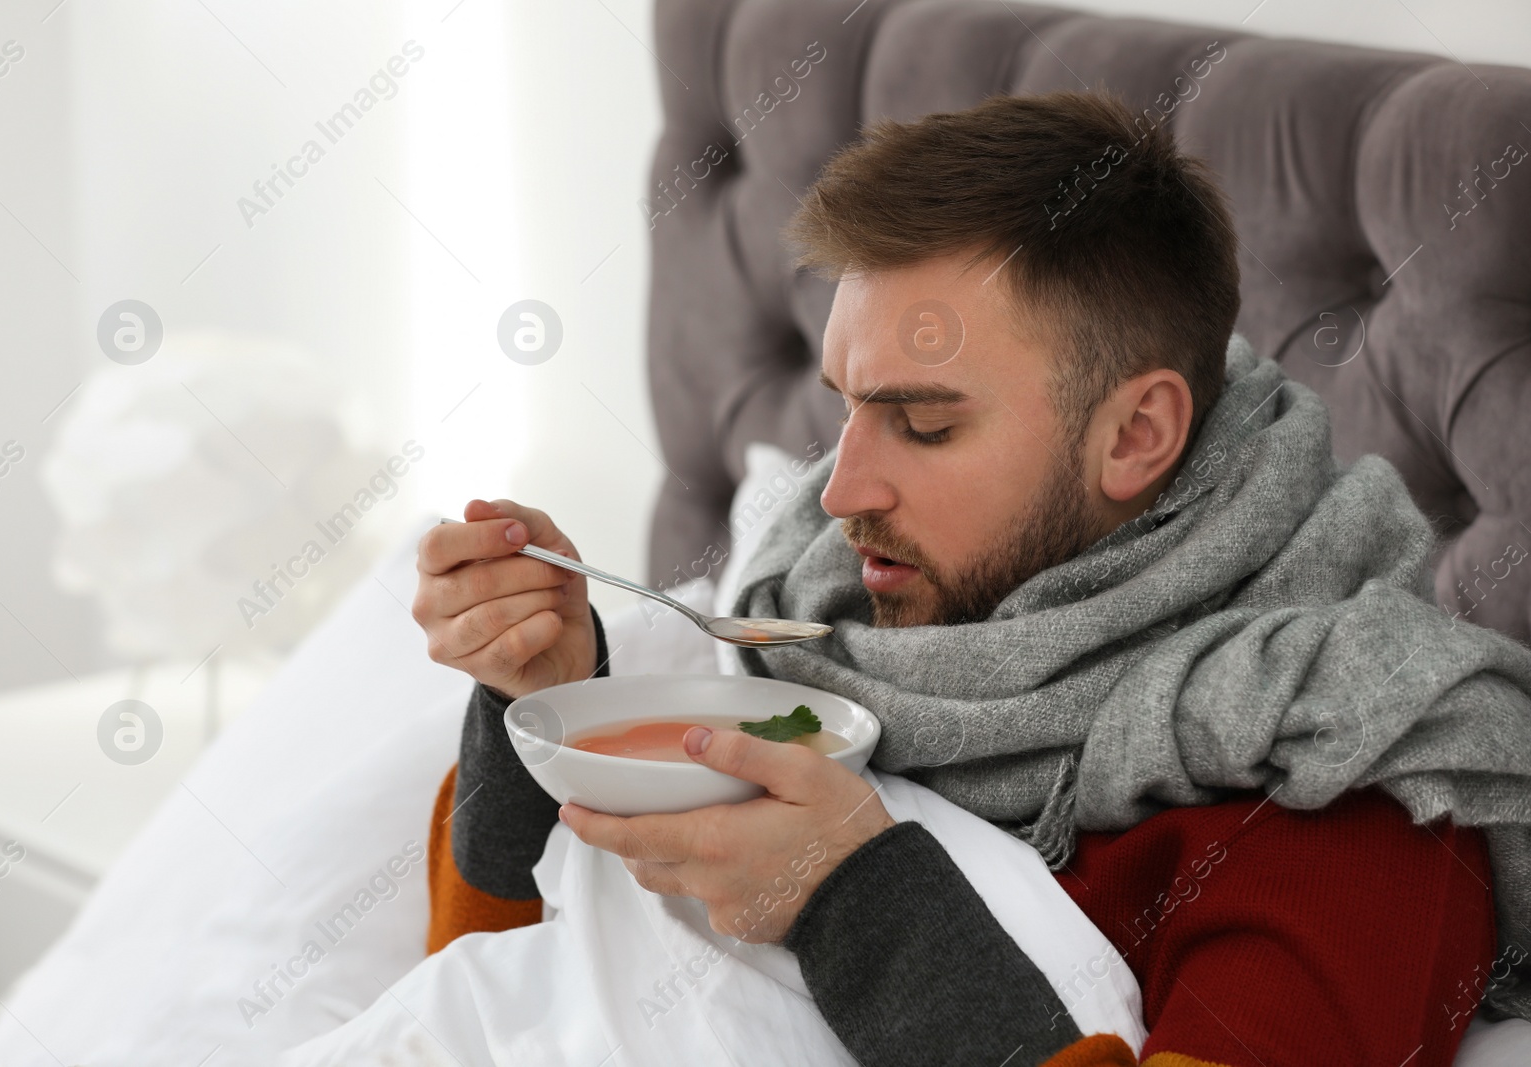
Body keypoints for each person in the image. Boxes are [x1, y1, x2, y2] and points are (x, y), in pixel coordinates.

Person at [411, 89, 1531, 1066]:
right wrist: (540, 701)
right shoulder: (814, 619)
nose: (840, 490)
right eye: (846, 405)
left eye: (921, 423)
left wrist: (852, 902)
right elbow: (497, 990)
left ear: (1136, 433)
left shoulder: (1342, 783)